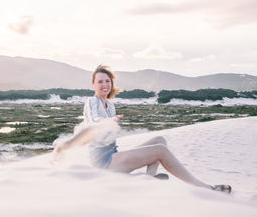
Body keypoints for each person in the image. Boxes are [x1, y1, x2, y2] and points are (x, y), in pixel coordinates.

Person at [53, 65, 231, 193]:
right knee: (160, 150)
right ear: (93, 85)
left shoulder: (110, 105)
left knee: (160, 141)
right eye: (100, 81)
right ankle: (206, 188)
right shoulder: (91, 101)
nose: (104, 85)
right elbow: (94, 121)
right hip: (104, 163)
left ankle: (149, 180)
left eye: (107, 81)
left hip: (113, 156)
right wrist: (108, 120)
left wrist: (111, 118)